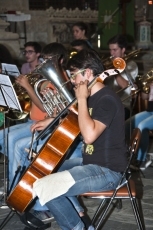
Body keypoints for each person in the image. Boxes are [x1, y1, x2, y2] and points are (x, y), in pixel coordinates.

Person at [30, 49, 128, 230]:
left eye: (74, 75)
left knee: (45, 186)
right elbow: (80, 121)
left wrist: (81, 100)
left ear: (88, 73)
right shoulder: (93, 97)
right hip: (90, 162)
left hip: (107, 171)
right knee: (43, 171)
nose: (72, 81)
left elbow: (89, 136)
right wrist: (53, 120)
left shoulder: (107, 99)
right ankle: (81, 219)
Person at [9, 42, 83, 223]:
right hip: (55, 129)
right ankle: (19, 192)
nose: (45, 65)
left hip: (68, 136)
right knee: (15, 142)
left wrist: (29, 87)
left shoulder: (69, 82)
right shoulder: (51, 81)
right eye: (45, 60)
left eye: (50, 61)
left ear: (62, 61)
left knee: (29, 150)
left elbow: (64, 114)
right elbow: (51, 111)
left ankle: (39, 204)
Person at [105, 34, 138, 120]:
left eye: (115, 50)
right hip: (107, 103)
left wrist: (114, 70)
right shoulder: (108, 64)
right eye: (110, 50)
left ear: (123, 49)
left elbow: (124, 86)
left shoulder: (131, 65)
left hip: (123, 105)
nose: (112, 53)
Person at [125, 81, 153, 169]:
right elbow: (144, 97)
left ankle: (142, 159)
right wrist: (150, 90)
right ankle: (130, 154)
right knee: (127, 124)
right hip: (150, 111)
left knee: (142, 126)